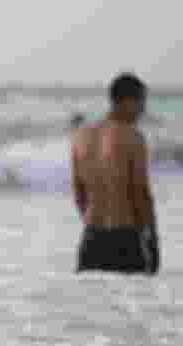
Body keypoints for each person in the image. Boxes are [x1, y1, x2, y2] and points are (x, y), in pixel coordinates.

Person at [72, 73, 158, 274]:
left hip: (91, 241)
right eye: (141, 102)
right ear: (127, 102)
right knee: (134, 305)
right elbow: (140, 192)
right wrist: (152, 239)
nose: (143, 110)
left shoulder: (80, 137)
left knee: (90, 304)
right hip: (125, 240)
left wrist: (95, 224)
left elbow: (78, 193)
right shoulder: (133, 137)